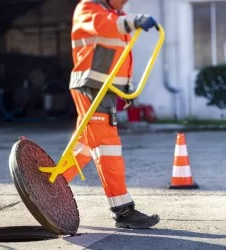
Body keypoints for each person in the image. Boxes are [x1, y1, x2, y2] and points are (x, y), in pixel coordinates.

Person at [63, 0, 160, 229]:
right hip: (90, 86)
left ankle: (51, 185)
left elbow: (120, 56)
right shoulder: (89, 8)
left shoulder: (117, 14)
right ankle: (123, 210)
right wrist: (132, 20)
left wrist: (126, 88)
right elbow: (104, 26)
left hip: (105, 89)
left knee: (86, 145)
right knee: (107, 146)